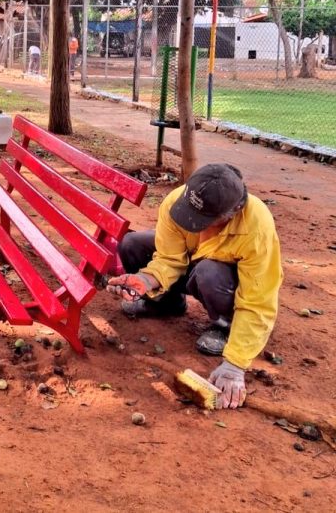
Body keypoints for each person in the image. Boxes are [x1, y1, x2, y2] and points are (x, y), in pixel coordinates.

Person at [107, 163, 282, 410]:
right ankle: (166, 304)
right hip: (192, 264)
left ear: (233, 211)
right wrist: (146, 280)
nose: (190, 223)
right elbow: (169, 259)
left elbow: (258, 300)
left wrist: (235, 365)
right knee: (132, 243)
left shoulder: (257, 227)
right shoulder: (176, 201)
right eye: (188, 212)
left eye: (202, 220)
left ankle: (225, 326)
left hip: (221, 281)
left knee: (209, 272)